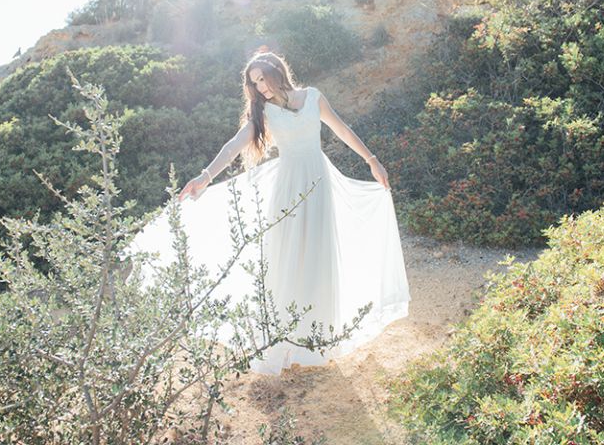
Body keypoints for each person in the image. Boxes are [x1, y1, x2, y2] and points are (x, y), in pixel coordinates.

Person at [130, 50, 411, 375]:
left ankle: (317, 341)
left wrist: (372, 160)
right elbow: (233, 145)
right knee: (285, 258)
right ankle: (281, 341)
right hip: (287, 187)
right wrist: (205, 176)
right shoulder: (262, 112)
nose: (259, 87)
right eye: (254, 83)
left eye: (262, 78)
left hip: (318, 182)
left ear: (277, 72)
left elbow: (342, 130)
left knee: (318, 255)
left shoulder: (312, 97)